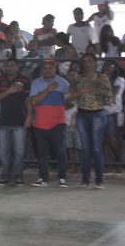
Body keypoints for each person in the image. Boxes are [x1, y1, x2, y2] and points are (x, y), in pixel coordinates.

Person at [67, 53, 113, 189]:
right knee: (86, 148)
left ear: (95, 63)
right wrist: (80, 92)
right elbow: (68, 97)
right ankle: (85, 180)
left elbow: (109, 97)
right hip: (82, 114)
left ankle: (99, 180)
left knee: (96, 148)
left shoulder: (102, 78)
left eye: (90, 61)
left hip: (98, 113)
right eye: (85, 61)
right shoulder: (78, 79)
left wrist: (98, 90)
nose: (87, 64)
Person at [29, 60, 69, 187]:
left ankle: (62, 178)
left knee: (60, 151)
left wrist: (58, 109)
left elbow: (70, 101)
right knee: (42, 152)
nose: (47, 70)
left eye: (50, 68)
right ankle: (43, 178)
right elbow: (33, 101)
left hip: (58, 122)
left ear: (55, 69)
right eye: (45, 68)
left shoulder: (63, 83)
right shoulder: (36, 83)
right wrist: (48, 90)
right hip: (40, 122)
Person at [0, 58, 30, 186]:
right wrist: (9, 91)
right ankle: (5, 175)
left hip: (20, 121)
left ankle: (18, 176)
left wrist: (29, 116)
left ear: (17, 67)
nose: (9, 68)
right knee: (4, 151)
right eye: (7, 65)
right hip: (4, 121)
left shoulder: (24, 81)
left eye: (12, 65)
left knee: (19, 151)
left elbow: (28, 100)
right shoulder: (0, 80)